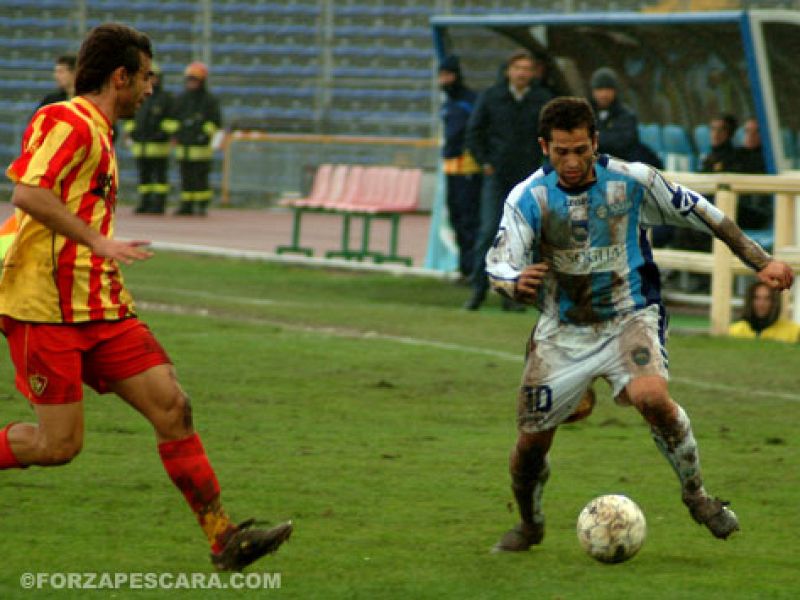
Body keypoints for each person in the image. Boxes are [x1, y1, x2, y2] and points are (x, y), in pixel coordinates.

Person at [0, 23, 292, 571]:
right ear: (120, 77)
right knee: (57, 446)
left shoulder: (102, 130)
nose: (151, 88)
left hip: (101, 305)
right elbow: (27, 192)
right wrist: (96, 239)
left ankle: (224, 537)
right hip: (45, 309)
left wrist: (96, 248)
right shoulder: (67, 119)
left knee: (174, 407)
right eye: (146, 77)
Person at [485, 97, 794, 552]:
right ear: (543, 147)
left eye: (580, 150)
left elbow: (706, 213)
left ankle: (698, 497)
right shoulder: (527, 197)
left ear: (595, 141)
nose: (571, 162)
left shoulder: (634, 181)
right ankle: (530, 524)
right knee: (530, 446)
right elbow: (499, 265)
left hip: (630, 316)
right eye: (560, 152)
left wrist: (761, 260)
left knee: (652, 398)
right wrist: (516, 283)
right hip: (562, 332)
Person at [464, 49, 553, 310]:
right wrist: (486, 163)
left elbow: (550, 136)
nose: (522, 73)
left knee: (524, 236)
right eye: (518, 68)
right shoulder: (491, 97)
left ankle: (515, 296)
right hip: (497, 177)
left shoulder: (542, 100)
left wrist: (544, 168)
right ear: (508, 71)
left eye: (527, 69)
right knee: (489, 231)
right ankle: (478, 290)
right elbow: (473, 133)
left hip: (528, 181)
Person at [438, 55, 481, 284]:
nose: (444, 80)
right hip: (451, 169)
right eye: (442, 75)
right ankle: (465, 267)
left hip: (468, 168)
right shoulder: (448, 104)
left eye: (448, 75)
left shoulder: (469, 101)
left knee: (469, 219)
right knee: (456, 219)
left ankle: (475, 269)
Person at [124, 63, 178, 214]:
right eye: (148, 77)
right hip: (141, 145)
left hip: (158, 146)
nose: (151, 80)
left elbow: (173, 121)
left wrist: (162, 133)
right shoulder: (138, 95)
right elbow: (130, 117)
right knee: (144, 176)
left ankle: (159, 204)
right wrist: (132, 131)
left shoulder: (166, 98)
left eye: (154, 77)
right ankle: (145, 201)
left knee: (160, 176)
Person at [173, 61, 222, 216]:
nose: (191, 82)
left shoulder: (209, 100)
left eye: (194, 80)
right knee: (186, 177)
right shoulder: (181, 99)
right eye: (189, 79)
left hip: (201, 148)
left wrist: (203, 133)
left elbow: (216, 122)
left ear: (202, 81)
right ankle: (186, 205)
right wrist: (176, 135)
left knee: (200, 177)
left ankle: (201, 205)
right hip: (184, 147)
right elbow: (174, 120)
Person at [732, 117, 772, 230]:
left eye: (756, 132)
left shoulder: (768, 158)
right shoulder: (736, 155)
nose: (751, 135)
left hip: (757, 212)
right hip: (738, 206)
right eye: (747, 131)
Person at [728, 281, 800, 343]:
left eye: (767, 298)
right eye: (757, 298)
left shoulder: (794, 331)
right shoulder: (734, 331)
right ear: (750, 301)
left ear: (774, 302)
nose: (761, 304)